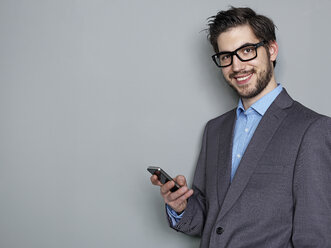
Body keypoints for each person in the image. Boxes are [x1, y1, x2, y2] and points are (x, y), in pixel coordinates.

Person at [150, 6, 331, 248]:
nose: (237, 66)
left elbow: (315, 235)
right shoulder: (214, 130)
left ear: (272, 50)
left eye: (247, 50)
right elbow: (214, 221)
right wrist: (181, 207)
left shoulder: (313, 129)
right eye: (226, 56)